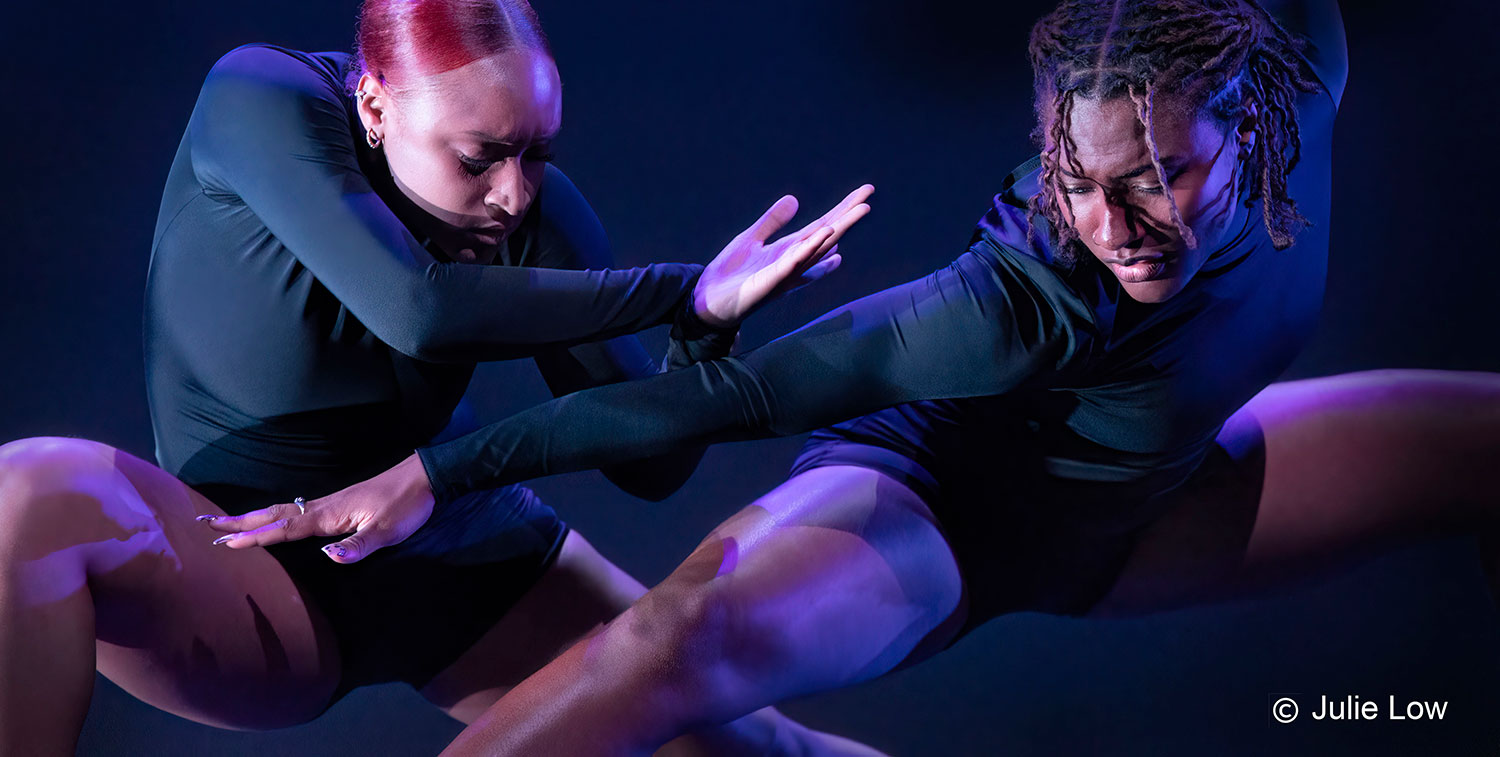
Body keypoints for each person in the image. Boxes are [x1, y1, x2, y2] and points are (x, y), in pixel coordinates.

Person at [213, 0, 1494, 752]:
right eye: (1079, 183)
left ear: (1258, 119)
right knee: (675, 637)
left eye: (1161, 178)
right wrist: (439, 470)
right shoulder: (1023, 296)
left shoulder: (1297, 64)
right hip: (946, 516)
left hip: (1158, 501)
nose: (1115, 226)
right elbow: (732, 397)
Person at [0, 1, 884, 755]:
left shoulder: (530, 212)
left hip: (453, 542)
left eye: (537, 154)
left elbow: (652, 467)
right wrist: (681, 287)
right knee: (31, 494)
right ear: (374, 104)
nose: (514, 194)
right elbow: (418, 309)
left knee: (754, 743)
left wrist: (706, 325)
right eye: (478, 158)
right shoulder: (261, 98)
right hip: (252, 565)